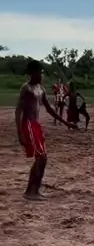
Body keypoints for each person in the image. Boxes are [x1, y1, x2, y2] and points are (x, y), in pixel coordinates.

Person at [15, 60, 73, 201]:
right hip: (28, 124)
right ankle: (30, 191)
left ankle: (34, 189)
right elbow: (18, 111)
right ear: (32, 74)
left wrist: (65, 122)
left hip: (36, 125)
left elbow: (49, 109)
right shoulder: (26, 88)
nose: (42, 75)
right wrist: (20, 133)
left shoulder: (41, 89)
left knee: (43, 158)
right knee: (41, 157)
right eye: (39, 73)